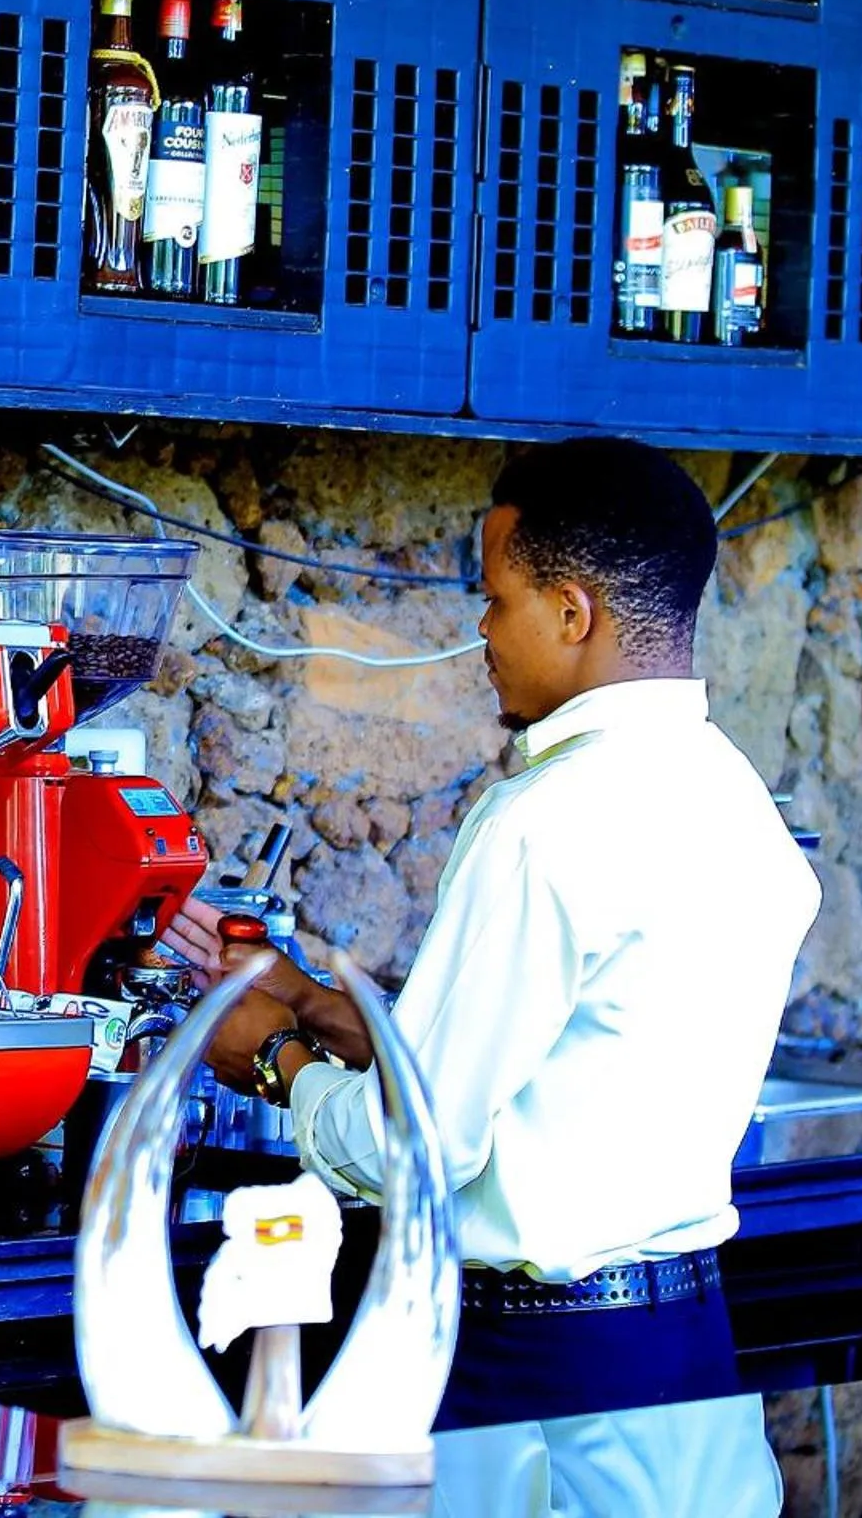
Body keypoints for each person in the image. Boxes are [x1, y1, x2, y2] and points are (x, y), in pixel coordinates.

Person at [163, 436, 821, 1426]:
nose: (481, 628)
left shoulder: (539, 822)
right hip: (686, 1346)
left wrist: (273, 1059)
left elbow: (415, 1149)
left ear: (572, 613)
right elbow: (552, 1064)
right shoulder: (735, 797)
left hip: (534, 1364)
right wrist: (307, 999)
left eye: (496, 599)